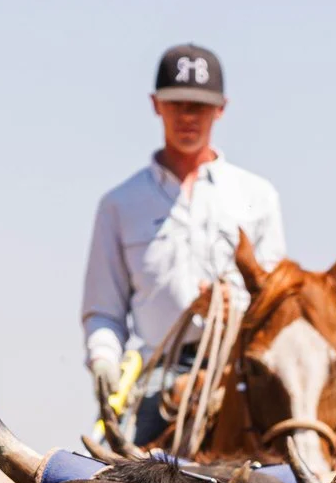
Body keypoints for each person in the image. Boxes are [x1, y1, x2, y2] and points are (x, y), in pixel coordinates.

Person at [81, 44, 284, 448]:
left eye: (200, 105)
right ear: (156, 105)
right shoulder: (119, 204)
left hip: (243, 369)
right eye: (177, 104)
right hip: (161, 371)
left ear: (221, 109)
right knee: (114, 473)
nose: (188, 117)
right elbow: (104, 310)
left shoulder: (258, 195)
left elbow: (275, 307)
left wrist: (233, 311)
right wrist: (103, 360)